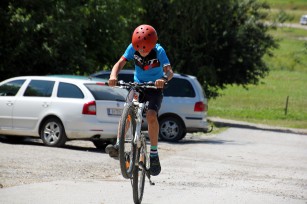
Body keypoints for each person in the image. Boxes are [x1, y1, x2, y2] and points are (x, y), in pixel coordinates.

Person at [105, 24, 173, 176]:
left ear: (152, 45)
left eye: (145, 49)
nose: (142, 52)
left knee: (150, 116)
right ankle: (118, 144)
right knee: (127, 109)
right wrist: (113, 76)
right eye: (139, 49)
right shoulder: (132, 48)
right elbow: (120, 63)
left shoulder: (159, 51)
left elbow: (169, 71)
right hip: (138, 85)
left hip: (154, 88)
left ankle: (154, 154)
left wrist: (163, 78)